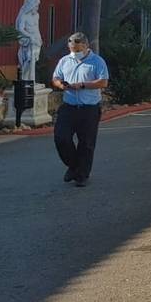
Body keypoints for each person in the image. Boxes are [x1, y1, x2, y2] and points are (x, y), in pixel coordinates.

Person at [51, 32, 109, 187]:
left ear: (86, 46)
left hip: (89, 108)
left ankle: (82, 174)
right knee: (61, 137)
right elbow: (55, 78)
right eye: (72, 49)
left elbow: (103, 82)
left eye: (77, 50)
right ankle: (74, 165)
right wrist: (60, 85)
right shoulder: (64, 60)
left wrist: (83, 85)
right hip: (68, 107)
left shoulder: (97, 61)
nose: (74, 53)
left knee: (86, 143)